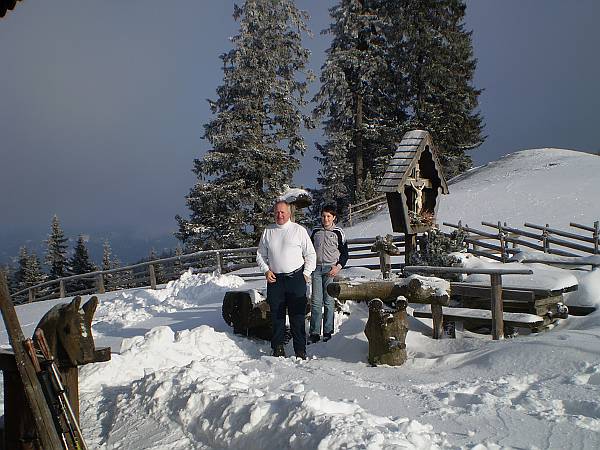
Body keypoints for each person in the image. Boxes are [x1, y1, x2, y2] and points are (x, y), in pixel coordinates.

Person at [256, 200, 316, 359]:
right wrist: (266, 270)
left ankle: (300, 350)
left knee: (297, 317)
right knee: (277, 317)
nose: (279, 215)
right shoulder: (268, 231)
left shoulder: (298, 230)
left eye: (282, 212)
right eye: (276, 212)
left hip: (296, 278)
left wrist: (306, 273)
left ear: (289, 213)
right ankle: (277, 348)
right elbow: (260, 255)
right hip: (275, 280)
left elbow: (310, 254)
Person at [309, 204, 349, 344]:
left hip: (330, 270)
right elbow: (309, 251)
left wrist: (337, 267)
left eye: (328, 216)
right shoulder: (315, 231)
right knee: (315, 302)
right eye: (323, 216)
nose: (326, 219)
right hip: (316, 269)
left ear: (334, 218)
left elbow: (345, 254)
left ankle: (327, 332)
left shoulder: (338, 232)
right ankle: (314, 332)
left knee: (328, 301)